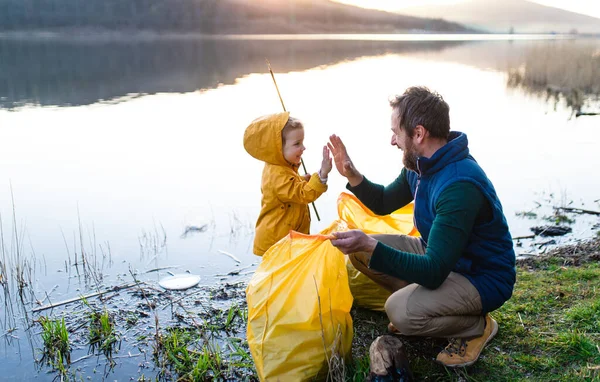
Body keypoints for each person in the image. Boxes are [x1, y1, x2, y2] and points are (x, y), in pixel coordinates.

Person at [327, 86, 516, 368]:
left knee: (398, 311)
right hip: (442, 256)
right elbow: (383, 201)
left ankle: (475, 326)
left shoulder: (458, 185)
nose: (392, 140)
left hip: (480, 275)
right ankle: (429, 308)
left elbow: (434, 270)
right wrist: (351, 173)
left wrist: (370, 243)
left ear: (418, 133)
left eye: (396, 132)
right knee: (360, 254)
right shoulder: (420, 165)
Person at [244, 111, 332, 256]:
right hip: (278, 241)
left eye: (302, 142)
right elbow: (303, 194)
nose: (303, 148)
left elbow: (289, 190)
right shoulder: (278, 174)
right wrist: (322, 174)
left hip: (286, 239)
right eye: (297, 144)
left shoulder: (280, 167)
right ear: (278, 149)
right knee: (282, 276)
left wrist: (302, 180)